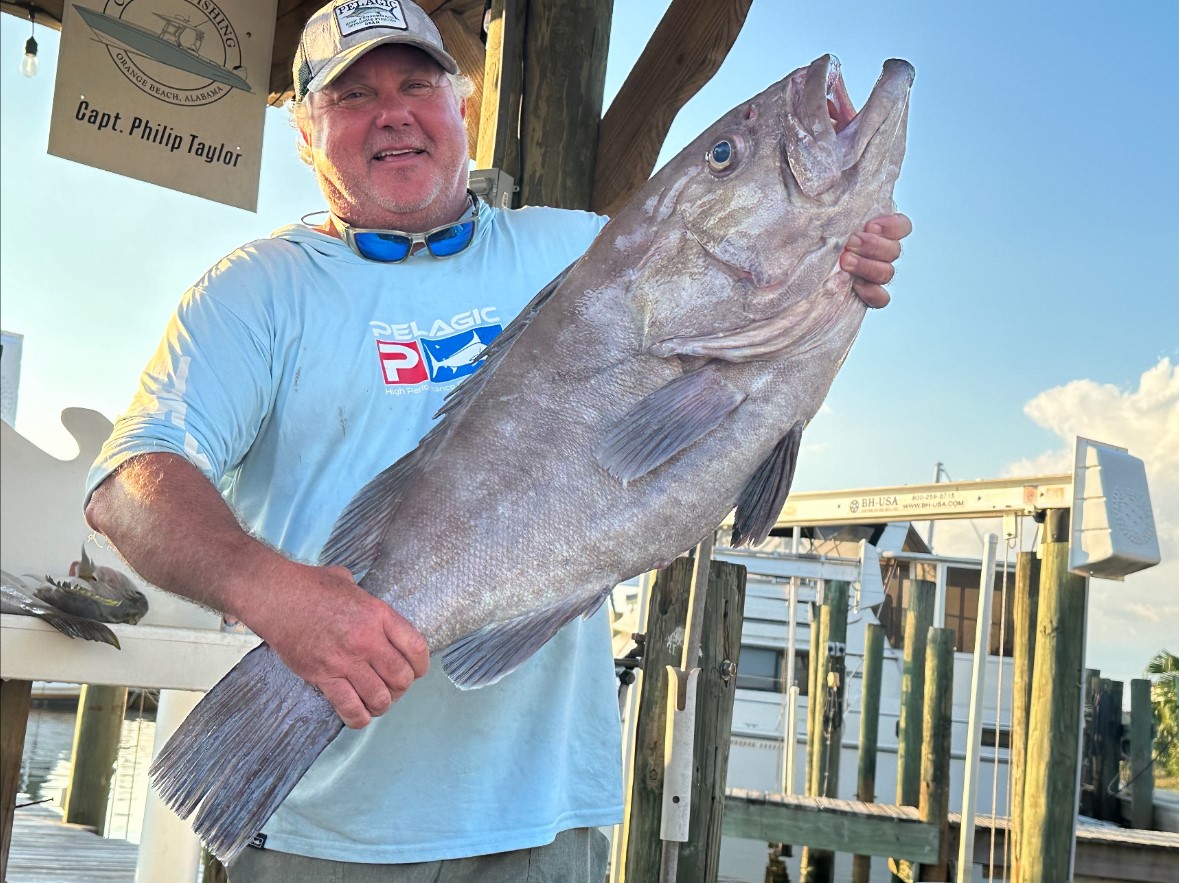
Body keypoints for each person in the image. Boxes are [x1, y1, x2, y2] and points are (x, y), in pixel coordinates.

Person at [83, 1, 912, 880]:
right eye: (352, 94)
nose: (392, 111)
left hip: (545, 820)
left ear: (461, 106)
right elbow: (127, 485)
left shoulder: (581, 247)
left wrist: (828, 297)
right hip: (321, 833)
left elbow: (719, 430)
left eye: (417, 83)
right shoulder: (253, 292)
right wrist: (278, 596)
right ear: (305, 133)